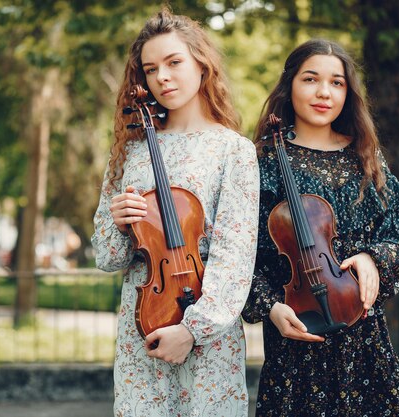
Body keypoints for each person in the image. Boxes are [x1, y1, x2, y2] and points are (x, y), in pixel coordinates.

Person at [91, 8, 259, 417]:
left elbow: (234, 257)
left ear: (202, 65)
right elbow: (107, 258)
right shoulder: (131, 152)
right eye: (150, 69)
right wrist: (117, 224)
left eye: (174, 62)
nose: (162, 77)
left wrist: (192, 330)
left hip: (208, 333)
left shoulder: (232, 150)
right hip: (142, 325)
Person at [242, 39, 399, 417]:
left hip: (365, 336)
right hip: (296, 334)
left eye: (337, 83)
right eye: (311, 79)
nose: (324, 92)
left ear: (348, 92)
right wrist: (270, 308)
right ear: (289, 85)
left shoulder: (365, 155)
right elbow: (240, 253)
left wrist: (373, 259)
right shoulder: (261, 160)